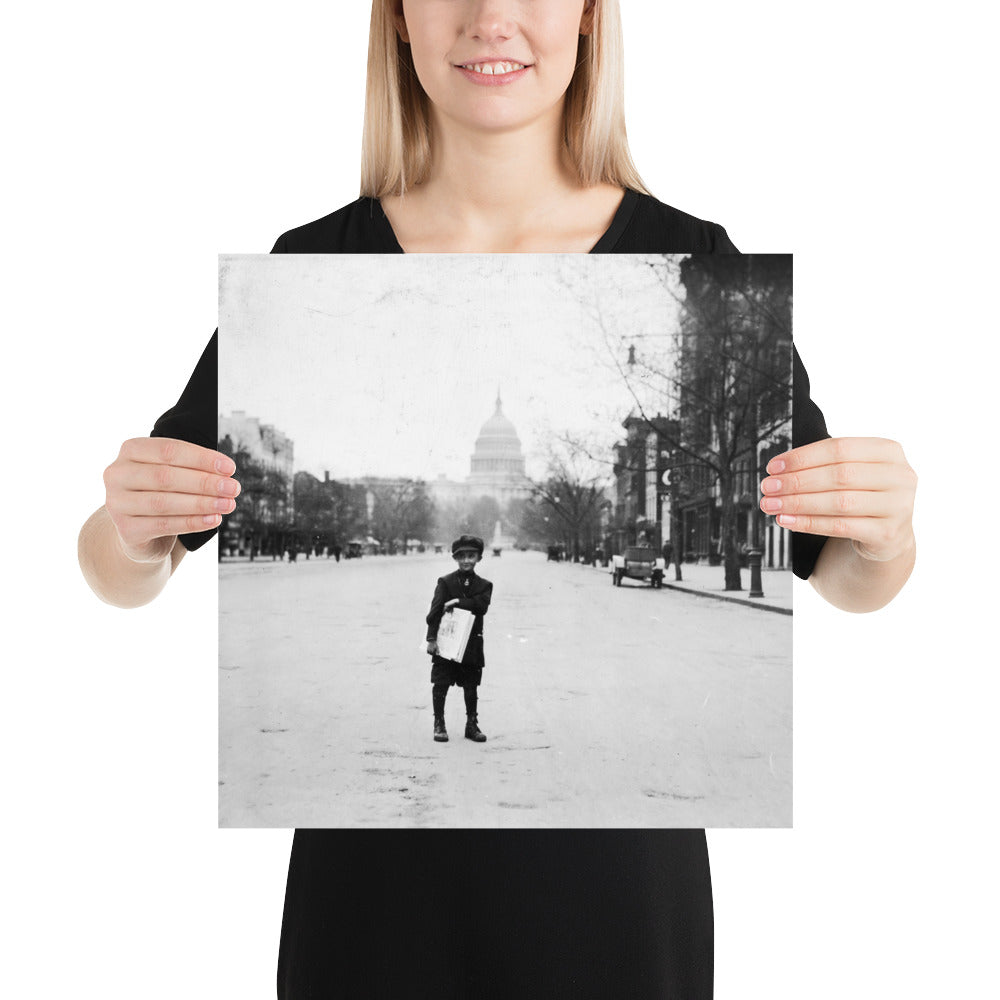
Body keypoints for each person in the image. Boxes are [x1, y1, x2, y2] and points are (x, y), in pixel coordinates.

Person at [78, 1, 917, 996]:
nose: (492, 17)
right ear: (395, 19)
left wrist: (886, 530)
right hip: (370, 906)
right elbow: (118, 568)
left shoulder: (703, 260)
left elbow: (849, 577)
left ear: (591, 18)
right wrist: (130, 530)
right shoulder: (307, 265)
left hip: (617, 908)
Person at [425, 534, 493, 742]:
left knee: (471, 685)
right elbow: (435, 612)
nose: (466, 560)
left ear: (479, 558)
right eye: (462, 556)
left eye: (471, 556)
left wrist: (456, 602)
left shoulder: (484, 585)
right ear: (455, 558)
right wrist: (431, 639)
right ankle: (439, 723)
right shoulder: (445, 582)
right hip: (446, 641)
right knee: (441, 682)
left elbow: (481, 607)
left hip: (471, 643)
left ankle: (471, 724)